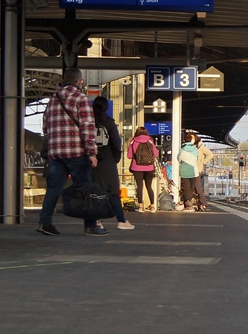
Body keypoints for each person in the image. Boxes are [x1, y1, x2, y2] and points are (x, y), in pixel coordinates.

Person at [38, 67, 106, 237]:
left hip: (56, 154)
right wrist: (92, 153)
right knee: (85, 188)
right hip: (77, 153)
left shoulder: (52, 100)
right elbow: (87, 128)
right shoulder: (81, 99)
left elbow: (45, 127)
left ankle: (45, 222)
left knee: (54, 188)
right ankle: (90, 225)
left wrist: (54, 144)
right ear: (79, 82)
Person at [91, 96, 133, 230]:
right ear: (106, 108)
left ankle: (96, 219)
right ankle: (121, 220)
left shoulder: (88, 122)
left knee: (95, 191)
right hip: (107, 161)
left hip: (91, 160)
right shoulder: (109, 123)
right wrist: (116, 158)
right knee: (113, 191)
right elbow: (116, 142)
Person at [127, 126, 159, 211]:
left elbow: (129, 156)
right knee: (149, 186)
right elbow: (156, 154)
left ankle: (140, 206)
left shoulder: (133, 141)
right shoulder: (150, 140)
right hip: (149, 167)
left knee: (139, 186)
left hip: (136, 167)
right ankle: (152, 206)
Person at [177, 133, 203, 211]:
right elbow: (198, 158)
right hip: (194, 171)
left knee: (186, 188)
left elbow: (179, 159)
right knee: (192, 188)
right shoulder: (195, 150)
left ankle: (189, 203)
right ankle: (190, 201)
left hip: (184, 171)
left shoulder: (182, 150)